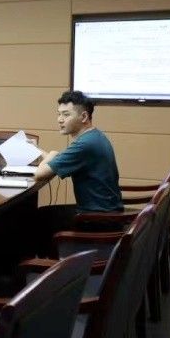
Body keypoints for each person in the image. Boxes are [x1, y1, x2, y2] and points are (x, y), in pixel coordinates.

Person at [33, 90, 123, 250]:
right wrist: (38, 152)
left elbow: (39, 174)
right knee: (44, 215)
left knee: (40, 218)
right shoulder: (94, 136)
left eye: (66, 115)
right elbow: (59, 161)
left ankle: (50, 263)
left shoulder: (85, 144)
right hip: (107, 212)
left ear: (84, 117)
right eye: (59, 114)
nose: (60, 119)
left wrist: (52, 154)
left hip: (97, 220)